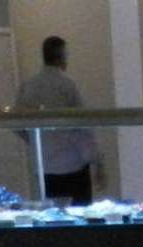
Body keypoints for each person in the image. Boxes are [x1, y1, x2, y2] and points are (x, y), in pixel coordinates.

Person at [14, 36, 100, 206]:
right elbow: (82, 127)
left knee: (50, 216)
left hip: (44, 167)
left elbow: (16, 124)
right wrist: (96, 161)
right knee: (80, 215)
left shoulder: (29, 85)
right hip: (73, 166)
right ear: (60, 57)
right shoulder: (67, 85)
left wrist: (36, 141)